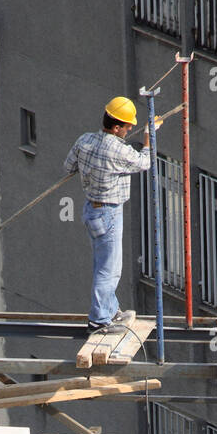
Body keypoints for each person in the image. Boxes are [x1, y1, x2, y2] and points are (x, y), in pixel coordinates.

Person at [64, 96, 157, 332]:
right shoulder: (118, 150)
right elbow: (145, 162)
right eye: (127, 127)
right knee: (110, 268)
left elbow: (68, 167)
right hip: (108, 213)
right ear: (116, 127)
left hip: (91, 210)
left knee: (102, 263)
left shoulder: (85, 140)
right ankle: (99, 320)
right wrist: (148, 139)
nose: (129, 130)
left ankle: (109, 308)